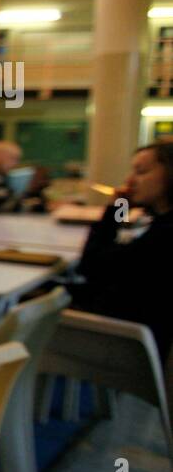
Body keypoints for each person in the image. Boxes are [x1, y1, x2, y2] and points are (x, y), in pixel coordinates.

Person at [69, 142, 173, 360]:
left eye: (141, 171)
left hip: (127, 344)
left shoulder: (164, 234)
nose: (130, 181)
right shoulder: (161, 224)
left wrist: (113, 210)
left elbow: (90, 266)